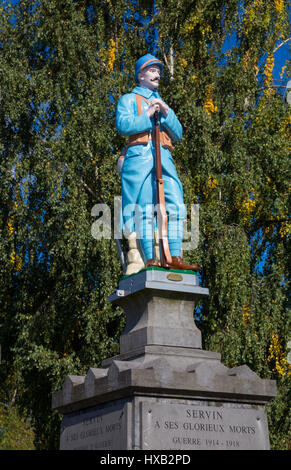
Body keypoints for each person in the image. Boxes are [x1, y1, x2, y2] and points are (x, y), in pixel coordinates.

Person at [116, 53, 198, 271]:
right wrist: (147, 115)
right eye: (152, 70)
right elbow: (123, 125)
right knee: (143, 208)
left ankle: (175, 256)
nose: (157, 74)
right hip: (140, 158)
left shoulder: (162, 103)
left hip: (164, 157)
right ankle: (150, 258)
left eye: (158, 71)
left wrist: (166, 113)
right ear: (140, 75)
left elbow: (178, 133)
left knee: (175, 203)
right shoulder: (128, 99)